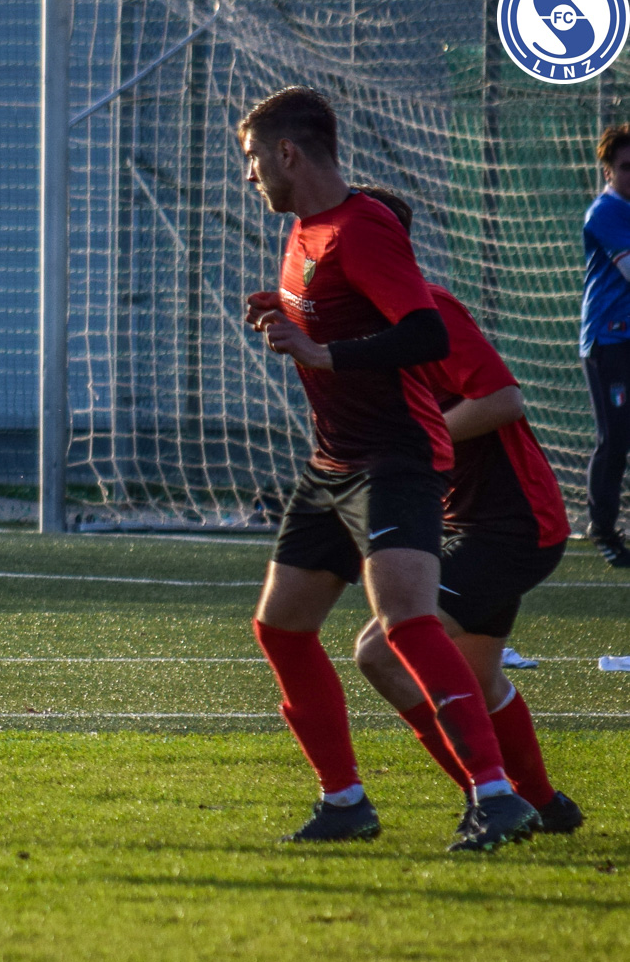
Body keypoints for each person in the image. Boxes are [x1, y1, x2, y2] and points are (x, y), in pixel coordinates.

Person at [239, 87, 535, 852]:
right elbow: (338, 314)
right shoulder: (303, 231)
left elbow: (425, 333)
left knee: (406, 625)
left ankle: (496, 796)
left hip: (395, 458)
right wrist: (284, 313)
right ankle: (344, 802)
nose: (249, 175)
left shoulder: (362, 226)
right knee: (281, 628)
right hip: (333, 460)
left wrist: (320, 352)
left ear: (288, 152)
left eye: (253, 158)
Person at [345, 186, 583, 837]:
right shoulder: (367, 330)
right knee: (478, 677)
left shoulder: (432, 313)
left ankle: (493, 799)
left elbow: (503, 399)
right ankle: (544, 804)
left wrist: (415, 442)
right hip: (470, 522)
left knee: (379, 652)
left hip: (514, 524)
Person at [580, 124, 630, 567]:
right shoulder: (606, 212)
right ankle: (603, 529)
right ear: (608, 171)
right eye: (626, 167)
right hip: (609, 341)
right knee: (615, 439)